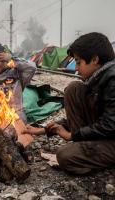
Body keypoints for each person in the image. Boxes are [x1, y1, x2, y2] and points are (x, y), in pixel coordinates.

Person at [24, 32, 115, 174]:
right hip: (104, 134)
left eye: (79, 62)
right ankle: (84, 147)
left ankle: (94, 157)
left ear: (95, 60)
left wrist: (72, 136)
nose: (76, 68)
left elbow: (110, 125)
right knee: (74, 89)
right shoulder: (99, 78)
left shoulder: (112, 80)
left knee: (64, 156)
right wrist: (43, 130)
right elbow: (89, 113)